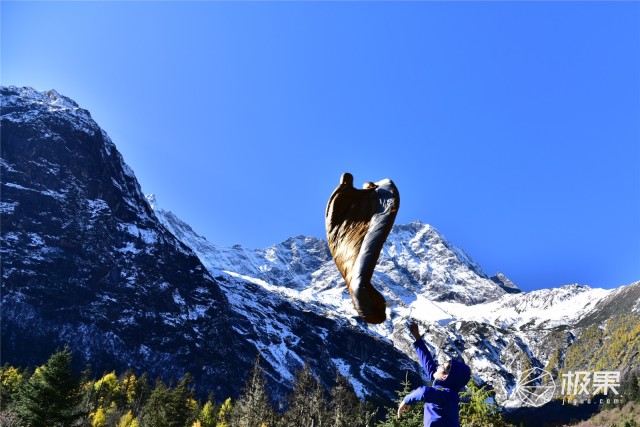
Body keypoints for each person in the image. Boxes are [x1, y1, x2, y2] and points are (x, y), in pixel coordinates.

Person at [397, 322, 471, 427]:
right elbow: (430, 367)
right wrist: (417, 339)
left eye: (441, 366)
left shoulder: (446, 395)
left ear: (445, 377)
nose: (438, 366)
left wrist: (406, 400)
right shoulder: (447, 390)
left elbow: (424, 392)